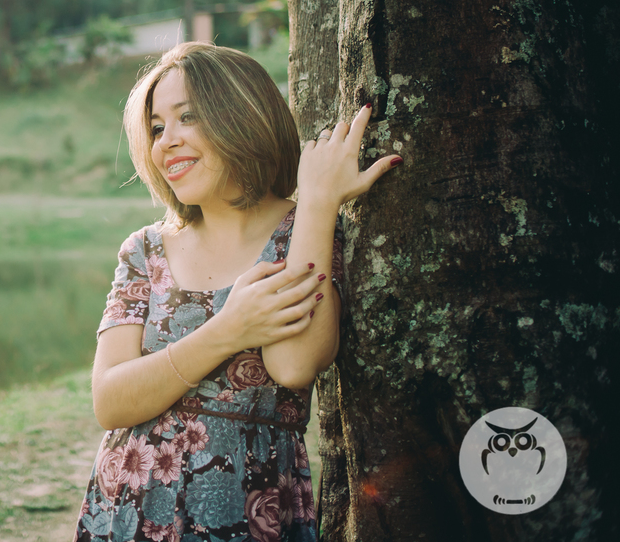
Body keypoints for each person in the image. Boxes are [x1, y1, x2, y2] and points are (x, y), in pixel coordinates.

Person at [73, 42, 401, 542]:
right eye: (157, 128)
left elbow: (293, 366)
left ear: (242, 116)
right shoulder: (145, 250)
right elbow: (110, 401)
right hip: (131, 506)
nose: (166, 142)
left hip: (247, 508)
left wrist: (316, 200)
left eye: (189, 118)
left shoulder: (302, 235)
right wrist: (227, 330)